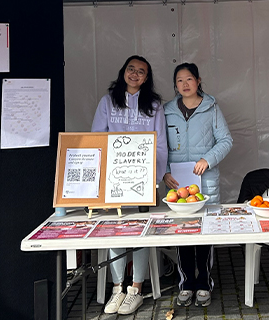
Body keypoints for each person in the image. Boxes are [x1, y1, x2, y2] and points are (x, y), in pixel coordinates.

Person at [91, 55, 167, 314]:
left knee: (142, 231)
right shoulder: (107, 101)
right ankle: (117, 288)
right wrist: (101, 176)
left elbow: (160, 143)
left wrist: (155, 178)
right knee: (116, 228)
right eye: (131, 69)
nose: (135, 74)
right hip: (115, 178)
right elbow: (97, 138)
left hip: (144, 179)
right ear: (123, 71)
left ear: (147, 78)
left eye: (141, 71)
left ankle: (135, 289)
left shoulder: (155, 105)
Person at [163, 62, 233, 307]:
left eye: (189, 79)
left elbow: (226, 140)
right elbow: (158, 145)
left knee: (204, 232)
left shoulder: (211, 108)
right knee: (182, 233)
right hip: (177, 183)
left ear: (199, 81)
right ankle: (185, 284)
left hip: (205, 181)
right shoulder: (166, 110)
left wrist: (208, 159)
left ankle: (203, 282)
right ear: (175, 85)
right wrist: (163, 173)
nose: (185, 84)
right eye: (180, 80)